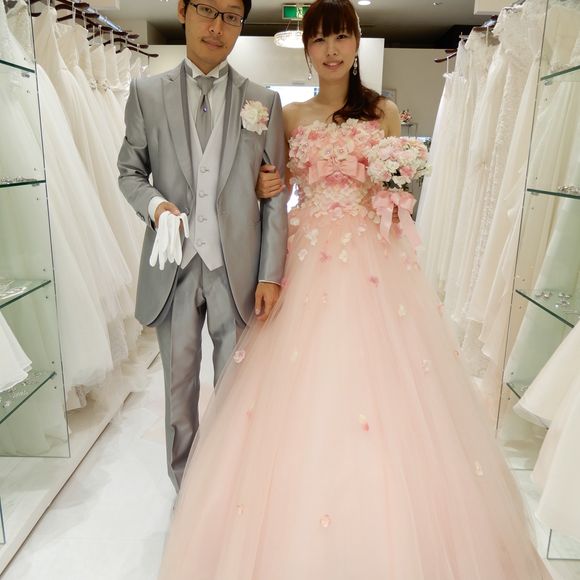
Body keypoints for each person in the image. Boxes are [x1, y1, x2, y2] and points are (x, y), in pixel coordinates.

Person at [158, 0, 551, 577]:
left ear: (357, 42)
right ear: (307, 48)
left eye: (342, 37)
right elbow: (274, 191)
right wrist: (267, 185)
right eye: (320, 40)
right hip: (306, 253)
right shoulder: (290, 115)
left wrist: (395, 183)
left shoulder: (383, 112)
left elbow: (395, 189)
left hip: (374, 259)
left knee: (388, 382)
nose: (332, 50)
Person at [117, 0, 288, 490]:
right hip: (175, 265)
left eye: (231, 16)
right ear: (183, 10)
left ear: (241, 24)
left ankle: (230, 489)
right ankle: (186, 489)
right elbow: (130, 172)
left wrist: (271, 273)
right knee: (178, 389)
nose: (218, 26)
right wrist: (156, 207)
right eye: (208, 10)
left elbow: (276, 194)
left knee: (236, 389)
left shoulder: (263, 100)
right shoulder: (147, 93)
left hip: (237, 269)